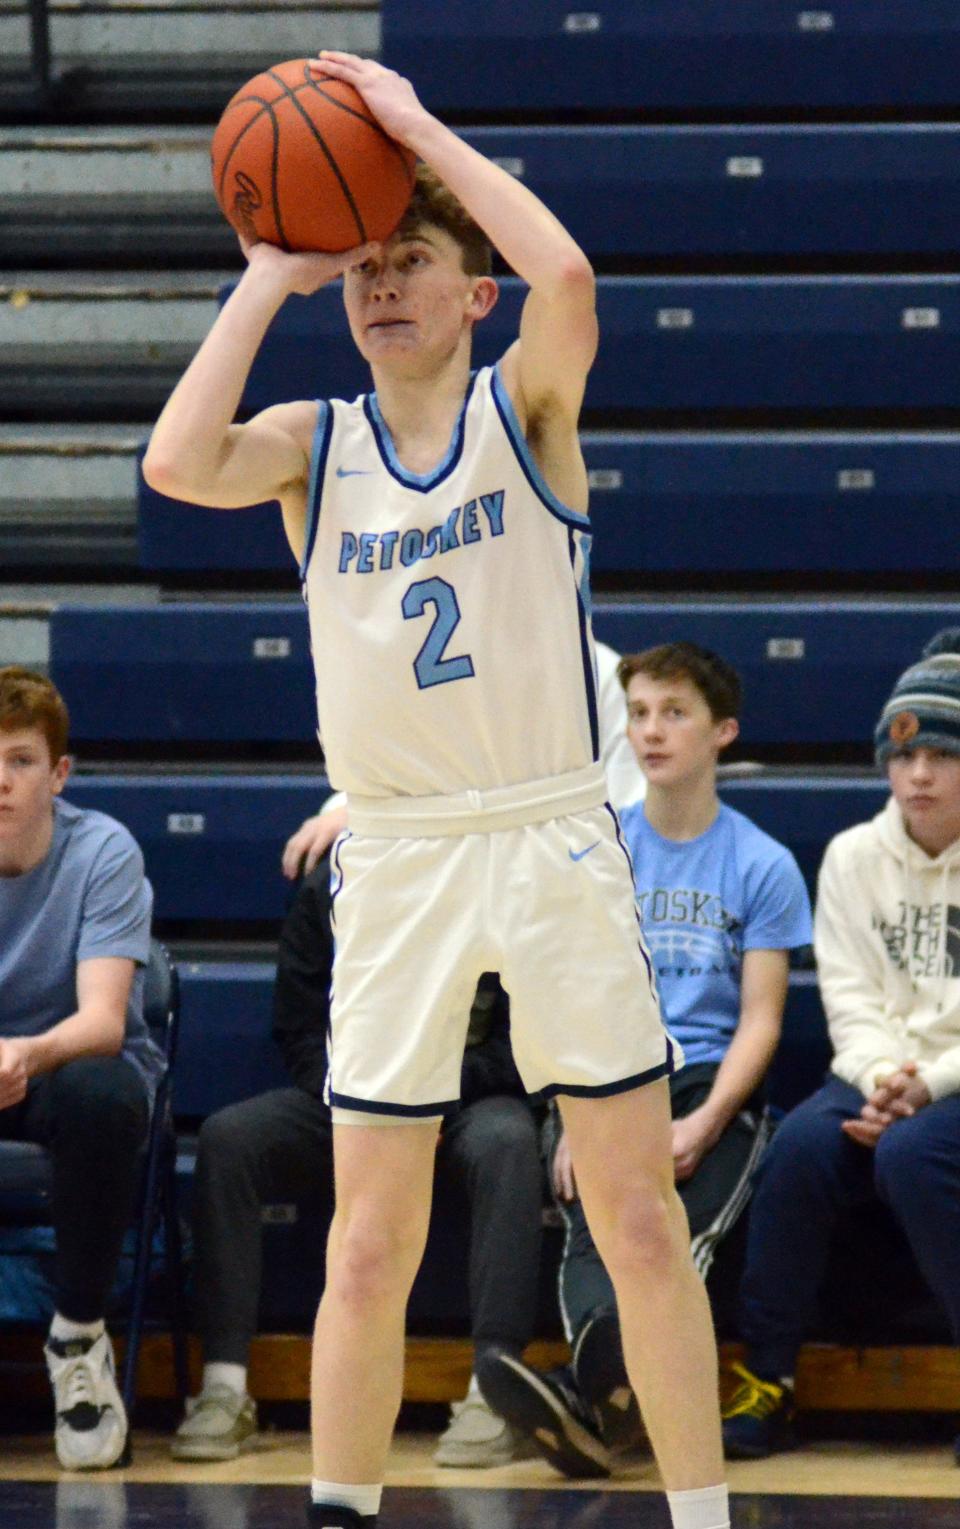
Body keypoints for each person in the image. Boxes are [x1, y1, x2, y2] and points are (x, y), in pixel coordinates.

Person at [143, 49, 729, 1529]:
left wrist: (411, 136)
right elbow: (170, 461)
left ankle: (703, 1514)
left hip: (547, 834)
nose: (383, 289)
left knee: (637, 1216)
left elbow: (573, 275)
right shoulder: (310, 446)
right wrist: (272, 276)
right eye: (365, 274)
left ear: (473, 297)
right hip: (397, 856)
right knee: (364, 1239)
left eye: (412, 266)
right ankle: (342, 1507)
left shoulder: (526, 406)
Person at [480, 642, 812, 1476]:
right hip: (610, 1074)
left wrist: (704, 1119)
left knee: (668, 1238)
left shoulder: (762, 862)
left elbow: (761, 1022)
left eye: (674, 713)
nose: (651, 731)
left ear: (722, 732)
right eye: (637, 714)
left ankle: (592, 1400)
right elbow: (563, 994)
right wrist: (565, 1114)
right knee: (590, 1236)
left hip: (708, 1085)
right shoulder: (597, 846)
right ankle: (605, 1399)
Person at [171, 860, 542, 1469]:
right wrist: (360, 1109)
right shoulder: (334, 883)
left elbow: (525, 1037)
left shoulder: (494, 877)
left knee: (509, 1142)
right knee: (230, 1139)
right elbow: (296, 1028)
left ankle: (492, 1390)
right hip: (355, 1104)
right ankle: (223, 1385)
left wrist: (438, 1093)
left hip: (465, 1103)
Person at [722, 629, 960, 1463]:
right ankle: (769, 1377)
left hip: (948, 1080)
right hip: (880, 1069)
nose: (918, 775)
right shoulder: (856, 856)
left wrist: (925, 1086)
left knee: (915, 1155)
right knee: (799, 1147)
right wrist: (883, 1077)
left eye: (940, 754)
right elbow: (848, 997)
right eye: (903, 757)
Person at [0, 666, 162, 1470]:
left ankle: (77, 1337)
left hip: (61, 1065)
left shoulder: (102, 849)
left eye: (20, 759)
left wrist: (24, 1052)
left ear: (58, 773)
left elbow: (103, 1022)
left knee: (107, 1093)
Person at [280, 640, 644, 880]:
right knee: (326, 873)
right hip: (436, 855)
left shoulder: (595, 669)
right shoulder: (433, 658)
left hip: (556, 867)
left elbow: (627, 809)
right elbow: (391, 760)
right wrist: (351, 810)